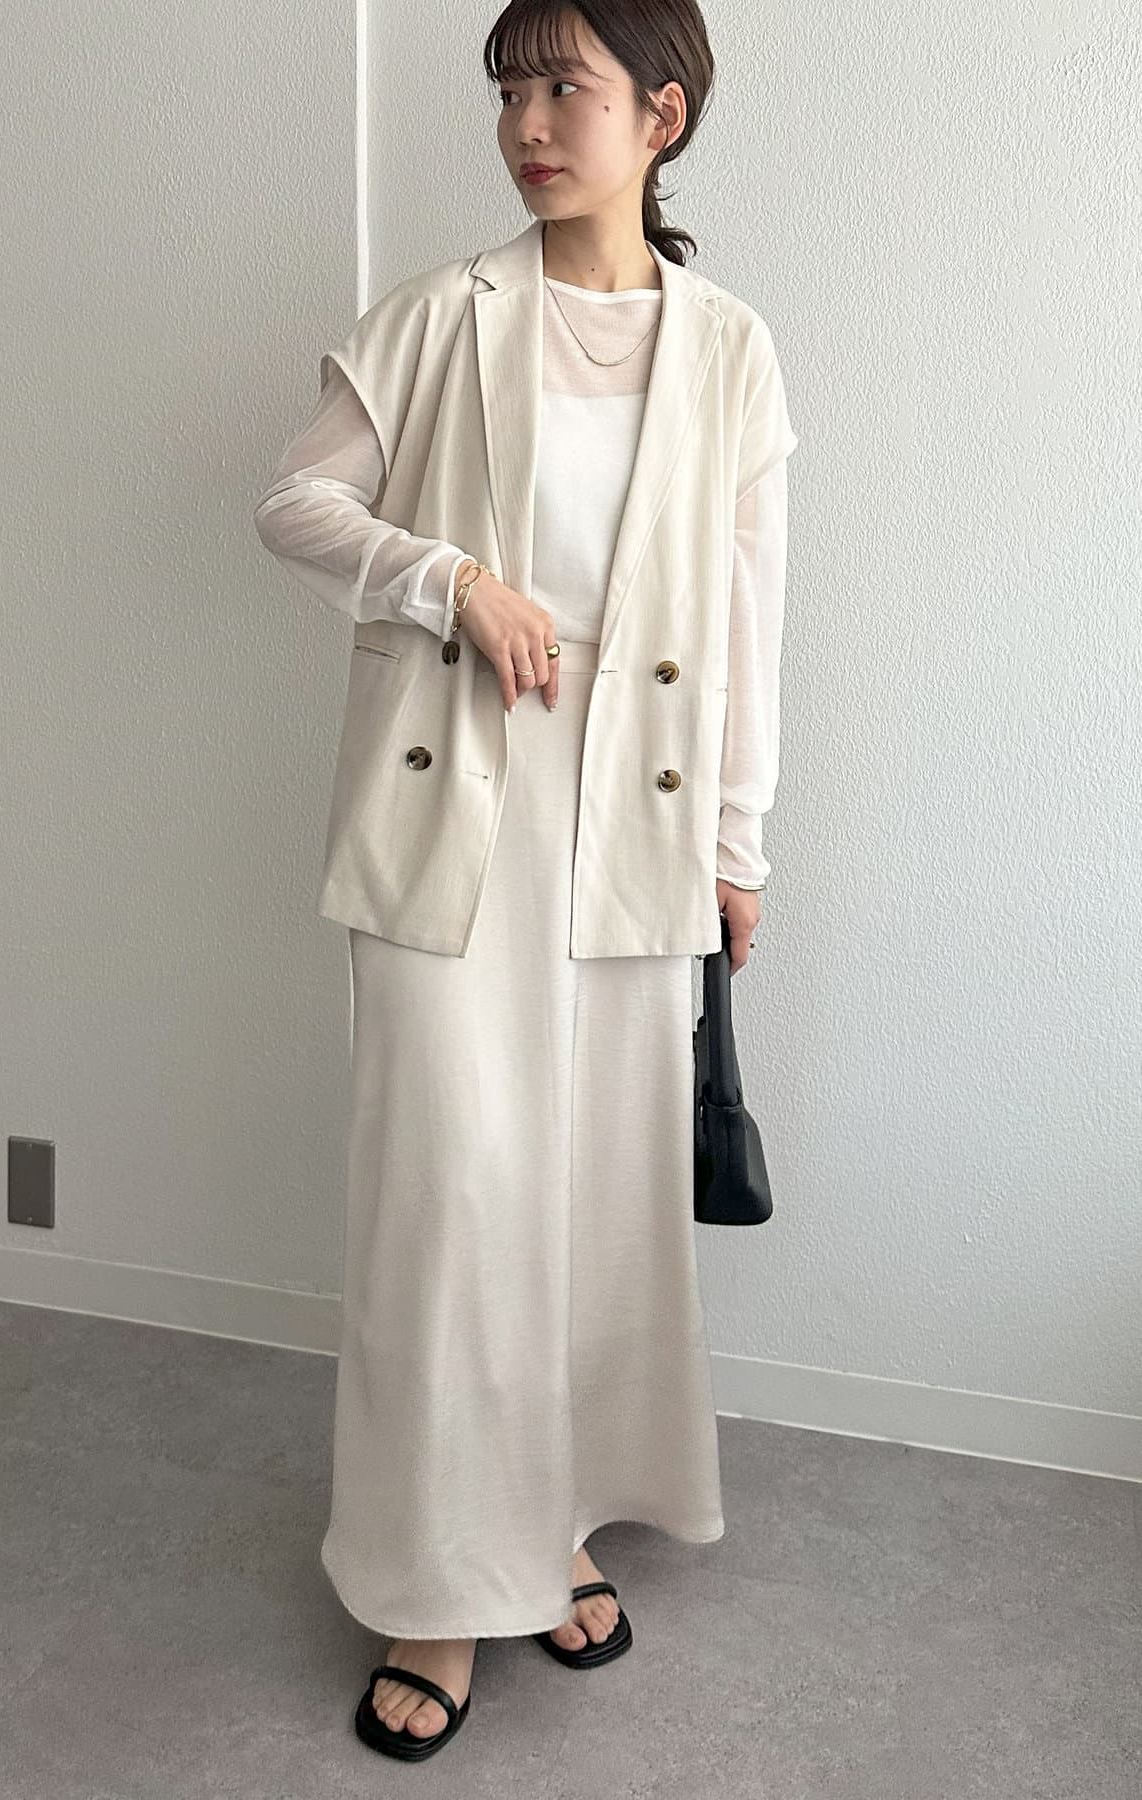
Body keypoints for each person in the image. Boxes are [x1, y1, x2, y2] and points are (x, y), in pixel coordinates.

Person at [253, 0, 795, 1763]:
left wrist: (738, 844)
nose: (528, 124)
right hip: (455, 828)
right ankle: (435, 1584)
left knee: (590, 1213)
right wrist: (451, 579)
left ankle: (548, 1524)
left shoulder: (731, 351)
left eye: (565, 87)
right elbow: (296, 507)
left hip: (633, 833)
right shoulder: (441, 316)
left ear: (664, 113)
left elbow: (747, 619)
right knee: (452, 1207)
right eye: (510, 90)